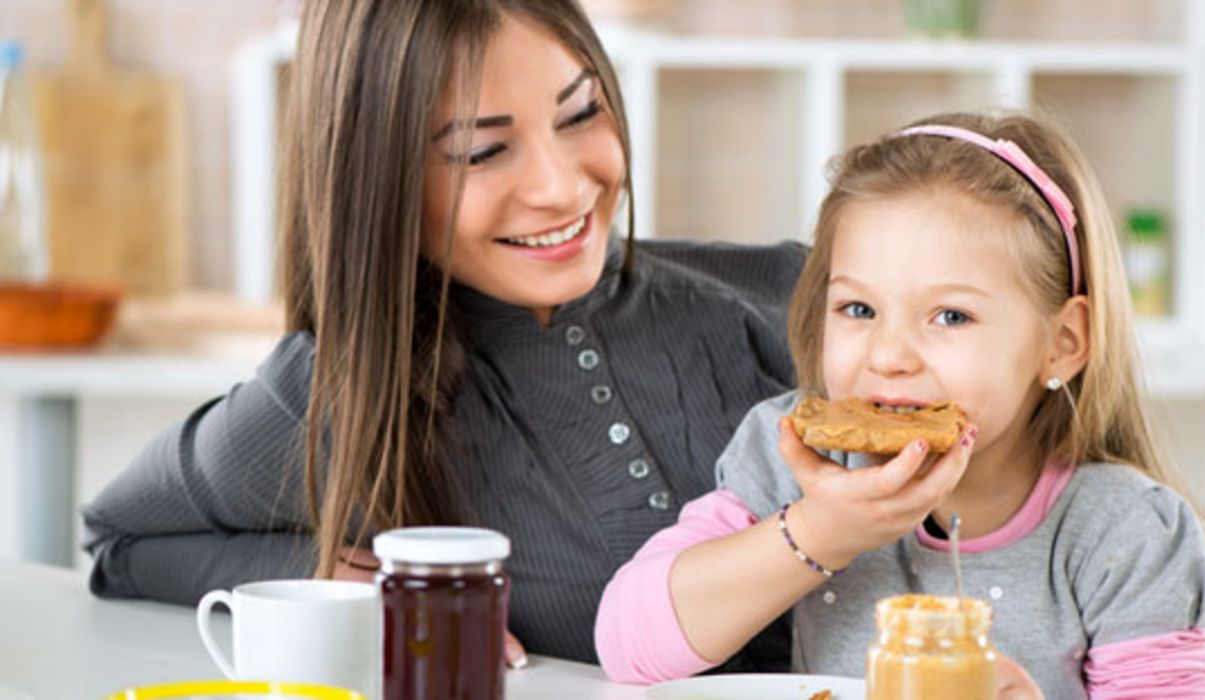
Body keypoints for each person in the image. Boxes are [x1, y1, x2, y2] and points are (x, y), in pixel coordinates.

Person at [81, 0, 800, 671]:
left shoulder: (797, 300)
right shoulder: (339, 394)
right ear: (378, 179)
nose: (559, 186)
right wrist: (319, 575)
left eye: (580, 113)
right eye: (482, 152)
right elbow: (121, 542)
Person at [596, 112, 1205, 698]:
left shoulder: (1122, 531)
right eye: (858, 309)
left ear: (1061, 345)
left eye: (950, 316)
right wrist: (822, 532)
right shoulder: (796, 452)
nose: (889, 354)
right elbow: (628, 646)